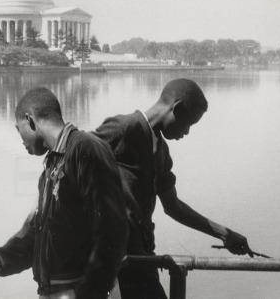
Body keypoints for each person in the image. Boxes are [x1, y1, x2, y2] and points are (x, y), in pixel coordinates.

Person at [0, 87, 128, 299]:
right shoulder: (52, 165)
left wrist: (86, 293)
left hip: (79, 292)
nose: (21, 140)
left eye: (17, 128)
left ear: (30, 120)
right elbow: (36, 234)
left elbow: (113, 233)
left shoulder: (86, 148)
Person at [92, 78, 254, 299]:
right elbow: (75, 156)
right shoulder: (126, 128)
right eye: (188, 124)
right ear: (175, 108)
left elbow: (173, 206)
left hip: (142, 260)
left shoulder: (161, 152)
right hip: (115, 263)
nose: (186, 133)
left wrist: (223, 233)